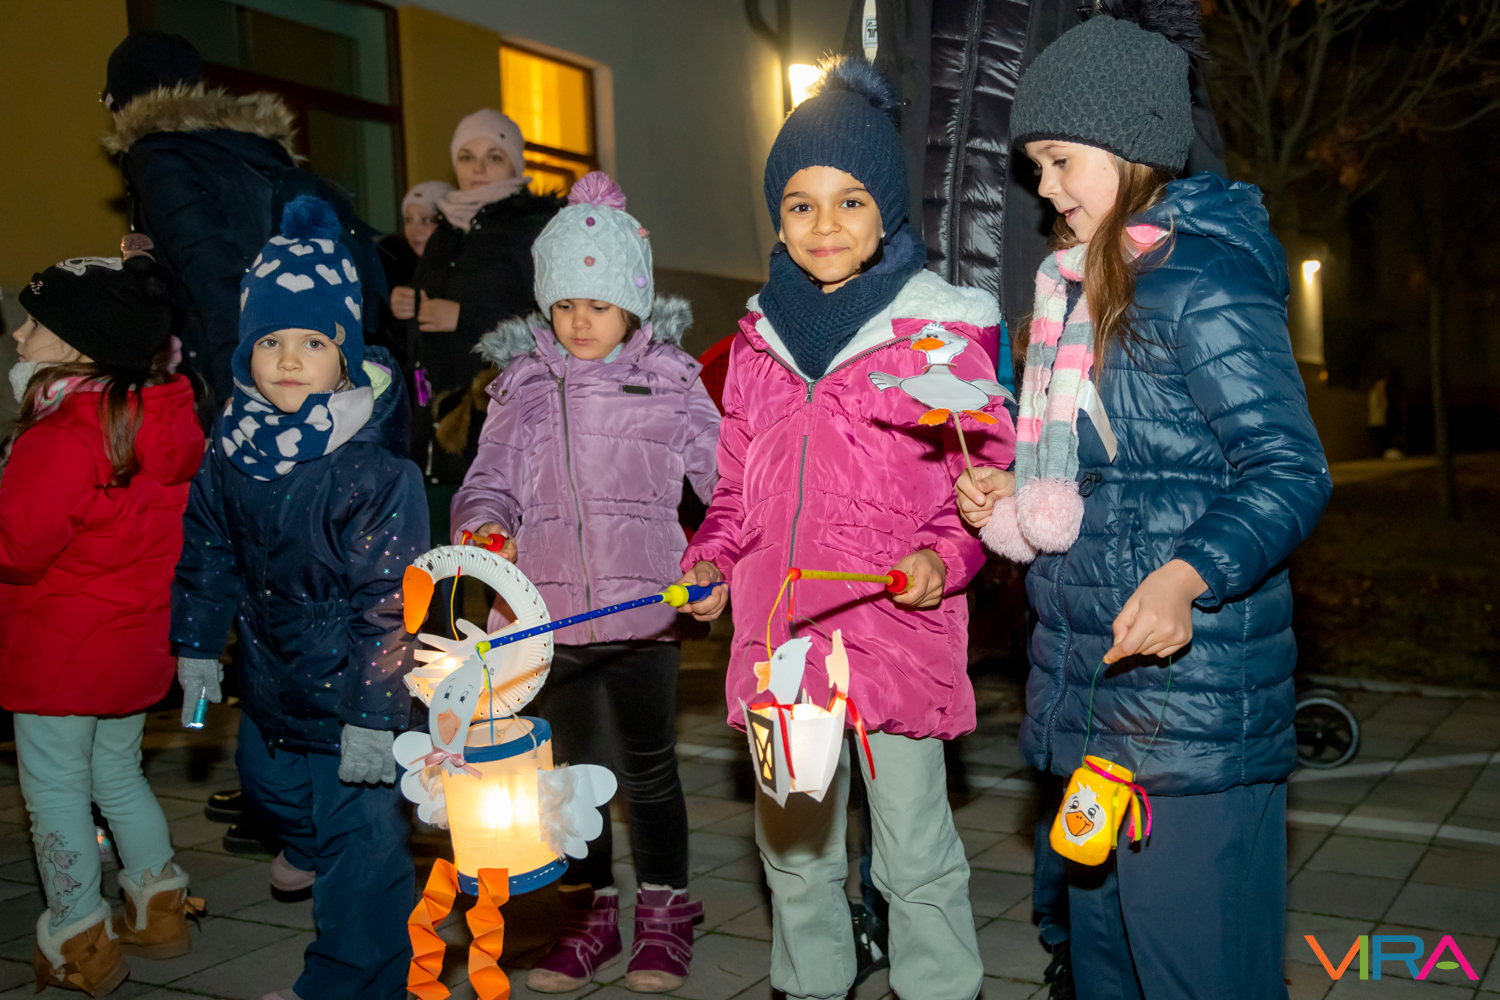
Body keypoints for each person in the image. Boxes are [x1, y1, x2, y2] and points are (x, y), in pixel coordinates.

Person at [954, 5, 1332, 998]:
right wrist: (1020, 490)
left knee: (1197, 972)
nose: (1044, 187)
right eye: (1035, 165)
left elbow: (1289, 469)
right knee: (1107, 968)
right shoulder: (1075, 293)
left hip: (1193, 715)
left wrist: (1188, 573)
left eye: (1060, 160)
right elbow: (1114, 471)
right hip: (1095, 705)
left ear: (1133, 146)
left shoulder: (1203, 282)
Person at [674, 57, 1015, 1000]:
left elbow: (979, 494)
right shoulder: (756, 343)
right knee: (793, 848)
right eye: (801, 205)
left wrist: (943, 560)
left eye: (850, 202)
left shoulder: (939, 337)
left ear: (887, 210)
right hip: (781, 648)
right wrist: (708, 561)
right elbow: (734, 492)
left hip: (895, 635)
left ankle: (939, 985)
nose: (825, 226)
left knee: (914, 847)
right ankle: (810, 981)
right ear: (778, 218)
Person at [450, 171, 720, 994]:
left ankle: (666, 911)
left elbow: (725, 484)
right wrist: (483, 525)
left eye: (597, 305)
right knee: (571, 778)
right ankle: (590, 911)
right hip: (548, 618)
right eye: (564, 304)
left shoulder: (671, 378)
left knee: (648, 771)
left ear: (631, 303)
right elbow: (487, 480)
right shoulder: (522, 384)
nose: (579, 321)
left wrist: (719, 557)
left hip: (645, 614)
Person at [170, 197, 428, 1000]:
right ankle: (310, 844)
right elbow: (208, 550)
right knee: (268, 787)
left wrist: (376, 718)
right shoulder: (232, 448)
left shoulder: (373, 470)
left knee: (364, 853)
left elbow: (391, 603)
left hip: (355, 695)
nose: (288, 359)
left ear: (345, 356)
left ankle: (349, 983)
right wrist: (196, 647)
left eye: (313, 342)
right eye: (270, 341)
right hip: (272, 682)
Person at [1, 244, 205, 996]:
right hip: (133, 642)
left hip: (58, 650)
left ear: (77, 346)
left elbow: (18, 545)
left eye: (34, 324)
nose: (18, 334)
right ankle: (158, 907)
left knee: (54, 791)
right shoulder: (155, 421)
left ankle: (78, 934)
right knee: (117, 774)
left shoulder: (65, 432)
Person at [400, 109, 565, 490]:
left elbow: (557, 323)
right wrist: (404, 312)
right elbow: (420, 333)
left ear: (515, 165)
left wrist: (466, 317)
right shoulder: (443, 233)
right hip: (431, 427)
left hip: (498, 422)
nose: (478, 168)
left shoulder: (536, 230)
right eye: (466, 157)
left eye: (494, 157)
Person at [374, 181, 454, 368]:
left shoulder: (464, 272)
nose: (414, 230)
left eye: (426, 220)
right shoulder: (393, 265)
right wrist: (393, 313)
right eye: (408, 220)